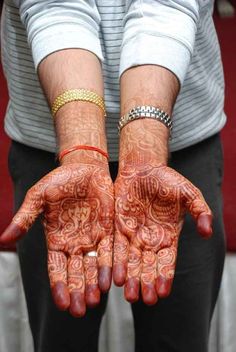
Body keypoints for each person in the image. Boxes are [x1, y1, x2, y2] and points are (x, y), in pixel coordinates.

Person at [0, 1, 226, 351]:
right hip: (51, 155)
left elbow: (166, 5)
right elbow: (56, 6)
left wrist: (144, 151)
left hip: (182, 147)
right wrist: (82, 150)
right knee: (63, 341)